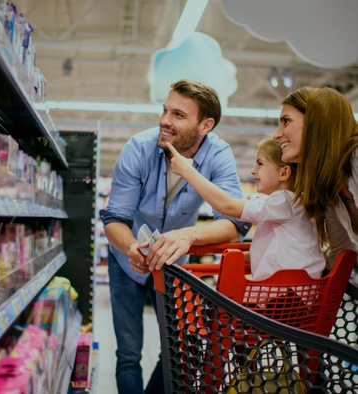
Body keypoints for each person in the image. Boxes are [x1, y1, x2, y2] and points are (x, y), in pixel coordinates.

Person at [99, 79, 251, 394]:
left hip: (175, 266)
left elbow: (234, 225)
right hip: (126, 261)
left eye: (178, 115)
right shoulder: (138, 149)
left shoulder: (218, 156)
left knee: (176, 351)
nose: (165, 120)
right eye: (165, 110)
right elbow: (114, 218)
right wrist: (132, 249)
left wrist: (188, 235)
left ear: (205, 125)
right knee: (127, 353)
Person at [167, 137, 326, 280]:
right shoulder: (292, 204)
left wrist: (187, 172)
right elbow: (277, 251)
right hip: (295, 292)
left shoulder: (284, 200)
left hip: (285, 295)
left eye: (260, 164)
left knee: (220, 307)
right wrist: (241, 257)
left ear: (284, 173)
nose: (253, 170)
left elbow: (227, 206)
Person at [272, 86, 358, 269]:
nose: (276, 135)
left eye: (286, 121)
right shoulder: (330, 189)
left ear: (317, 122)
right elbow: (341, 253)